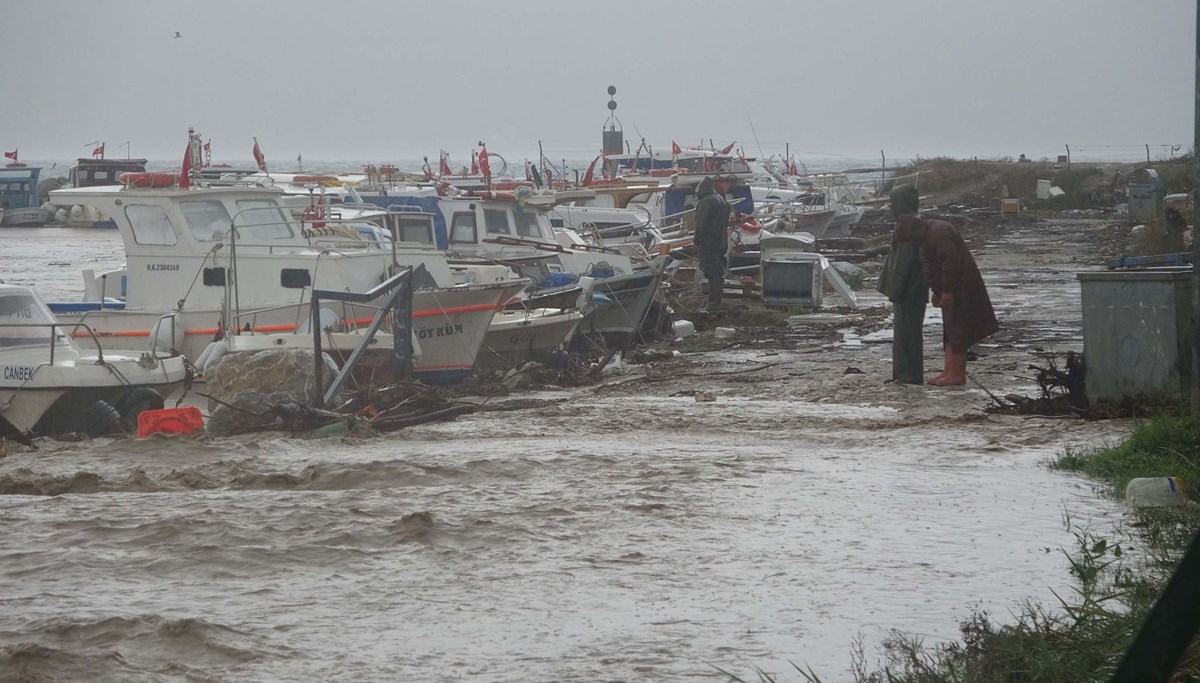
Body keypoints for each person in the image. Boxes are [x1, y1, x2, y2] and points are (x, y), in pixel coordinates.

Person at [893, 187, 998, 386]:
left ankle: (957, 374)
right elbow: (930, 267)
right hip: (948, 288)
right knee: (949, 330)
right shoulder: (924, 236)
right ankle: (949, 370)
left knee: (958, 329)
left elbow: (950, 263)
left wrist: (948, 291)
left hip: (962, 285)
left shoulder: (939, 232)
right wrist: (937, 291)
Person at [876, 185, 927, 384]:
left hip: (908, 289)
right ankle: (905, 374)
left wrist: (895, 290)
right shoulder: (914, 221)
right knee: (907, 332)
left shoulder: (907, 225)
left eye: (893, 202)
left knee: (907, 333)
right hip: (913, 287)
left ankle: (908, 375)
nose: (890, 206)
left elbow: (903, 262)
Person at [694, 176, 732, 311]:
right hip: (720, 243)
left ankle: (714, 303)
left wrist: (697, 240)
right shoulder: (722, 201)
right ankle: (716, 300)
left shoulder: (706, 202)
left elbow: (701, 224)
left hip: (708, 243)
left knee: (711, 272)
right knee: (718, 272)